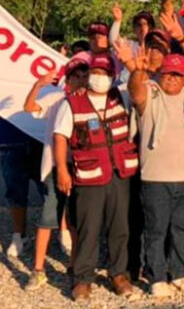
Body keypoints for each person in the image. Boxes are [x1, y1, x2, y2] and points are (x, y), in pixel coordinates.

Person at [53, 53, 139, 301]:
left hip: (120, 173)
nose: (100, 78)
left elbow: (138, 86)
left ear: (113, 77)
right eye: (96, 73)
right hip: (89, 175)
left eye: (105, 74)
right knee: (88, 228)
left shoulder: (121, 96)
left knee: (120, 226)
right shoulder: (72, 103)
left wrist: (132, 64)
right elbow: (60, 136)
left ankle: (118, 274)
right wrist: (62, 169)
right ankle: (83, 279)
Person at [127, 53, 184, 297]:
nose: (172, 78)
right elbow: (135, 92)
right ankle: (156, 276)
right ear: (161, 73)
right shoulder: (151, 93)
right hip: (155, 178)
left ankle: (179, 272)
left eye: (178, 75)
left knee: (182, 229)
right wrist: (138, 71)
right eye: (168, 73)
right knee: (156, 230)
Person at [22, 55, 89, 289]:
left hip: (83, 166)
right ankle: (38, 269)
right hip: (55, 165)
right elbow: (29, 107)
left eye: (84, 76)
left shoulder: (92, 100)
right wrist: (38, 85)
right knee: (48, 217)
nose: (80, 80)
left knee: (77, 218)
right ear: (67, 80)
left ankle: (74, 266)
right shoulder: (55, 97)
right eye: (76, 76)